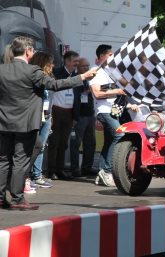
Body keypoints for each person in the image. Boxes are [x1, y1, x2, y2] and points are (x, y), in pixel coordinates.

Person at [0, 36, 96, 210]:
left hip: (4, 122)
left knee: (4, 160)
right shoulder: (32, 71)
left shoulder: (2, 70)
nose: (34, 52)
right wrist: (82, 77)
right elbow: (55, 84)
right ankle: (17, 199)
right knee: (21, 161)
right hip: (25, 124)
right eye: (33, 50)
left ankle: (1, 197)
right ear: (28, 51)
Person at [89, 44, 126, 187]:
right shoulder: (95, 71)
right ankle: (107, 170)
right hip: (104, 111)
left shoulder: (112, 71)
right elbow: (97, 94)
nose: (113, 57)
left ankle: (102, 173)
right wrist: (118, 91)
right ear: (101, 56)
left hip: (114, 110)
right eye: (110, 55)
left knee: (110, 141)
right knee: (120, 135)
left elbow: (126, 85)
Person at [47, 51, 81, 180]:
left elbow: (77, 98)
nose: (77, 64)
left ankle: (60, 170)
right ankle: (51, 171)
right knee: (54, 142)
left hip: (69, 113)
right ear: (67, 61)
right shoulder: (56, 72)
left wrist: (75, 117)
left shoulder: (77, 76)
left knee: (63, 143)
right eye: (75, 61)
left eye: (78, 61)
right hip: (56, 111)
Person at [29, 52, 55, 189]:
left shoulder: (50, 78)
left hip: (47, 115)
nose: (53, 66)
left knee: (42, 146)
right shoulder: (34, 77)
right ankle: (28, 176)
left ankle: (37, 176)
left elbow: (50, 99)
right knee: (33, 146)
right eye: (50, 63)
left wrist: (51, 116)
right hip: (35, 116)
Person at [70, 57, 97, 177]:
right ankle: (74, 168)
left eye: (88, 66)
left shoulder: (91, 79)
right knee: (76, 142)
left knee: (90, 142)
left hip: (90, 114)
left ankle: (87, 167)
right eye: (84, 66)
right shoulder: (75, 79)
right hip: (79, 115)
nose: (86, 68)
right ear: (78, 67)